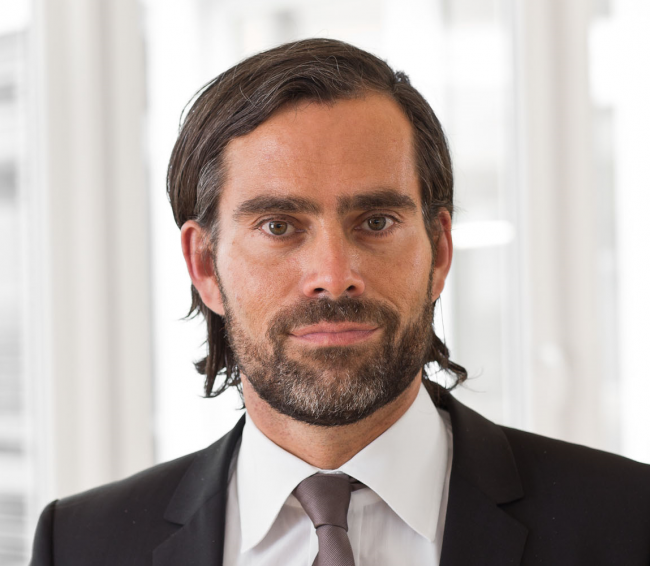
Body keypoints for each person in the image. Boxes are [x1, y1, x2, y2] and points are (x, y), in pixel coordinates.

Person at [31, 38, 650, 566]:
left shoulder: (629, 521)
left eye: (376, 221)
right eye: (278, 226)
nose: (333, 276)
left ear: (438, 250)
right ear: (204, 266)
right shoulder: (82, 545)